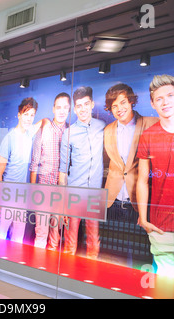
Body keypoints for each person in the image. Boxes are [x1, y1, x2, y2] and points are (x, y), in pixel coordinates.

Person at [136, 74, 174, 278]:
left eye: (170, 95)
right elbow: (142, 180)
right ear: (152, 103)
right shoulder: (148, 135)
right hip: (159, 226)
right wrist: (142, 217)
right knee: (166, 284)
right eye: (159, 99)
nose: (165, 102)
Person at [103, 83, 159, 263]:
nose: (119, 109)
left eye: (123, 102)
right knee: (111, 253)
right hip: (112, 201)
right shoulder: (108, 129)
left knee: (139, 256)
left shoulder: (151, 123)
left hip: (137, 202)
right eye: (114, 106)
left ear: (132, 101)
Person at [59, 87, 105, 258]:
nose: (83, 109)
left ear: (92, 104)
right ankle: (65, 277)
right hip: (74, 193)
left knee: (94, 241)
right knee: (70, 241)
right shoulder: (68, 133)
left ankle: (90, 277)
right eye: (79, 105)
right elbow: (62, 170)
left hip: (94, 193)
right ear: (75, 108)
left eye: (86, 104)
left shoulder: (102, 127)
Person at [0, 97, 44, 243]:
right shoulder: (9, 138)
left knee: (18, 236)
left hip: (22, 195)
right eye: (26, 114)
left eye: (32, 115)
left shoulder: (29, 133)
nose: (29, 118)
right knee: (1, 233)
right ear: (19, 115)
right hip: (8, 194)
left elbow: (43, 121)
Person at [29, 92, 70, 249]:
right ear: (53, 108)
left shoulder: (70, 132)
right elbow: (34, 161)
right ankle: (36, 270)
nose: (61, 111)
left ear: (69, 109)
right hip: (44, 188)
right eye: (58, 107)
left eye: (65, 107)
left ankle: (50, 270)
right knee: (41, 233)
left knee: (56, 235)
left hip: (61, 192)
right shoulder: (44, 127)